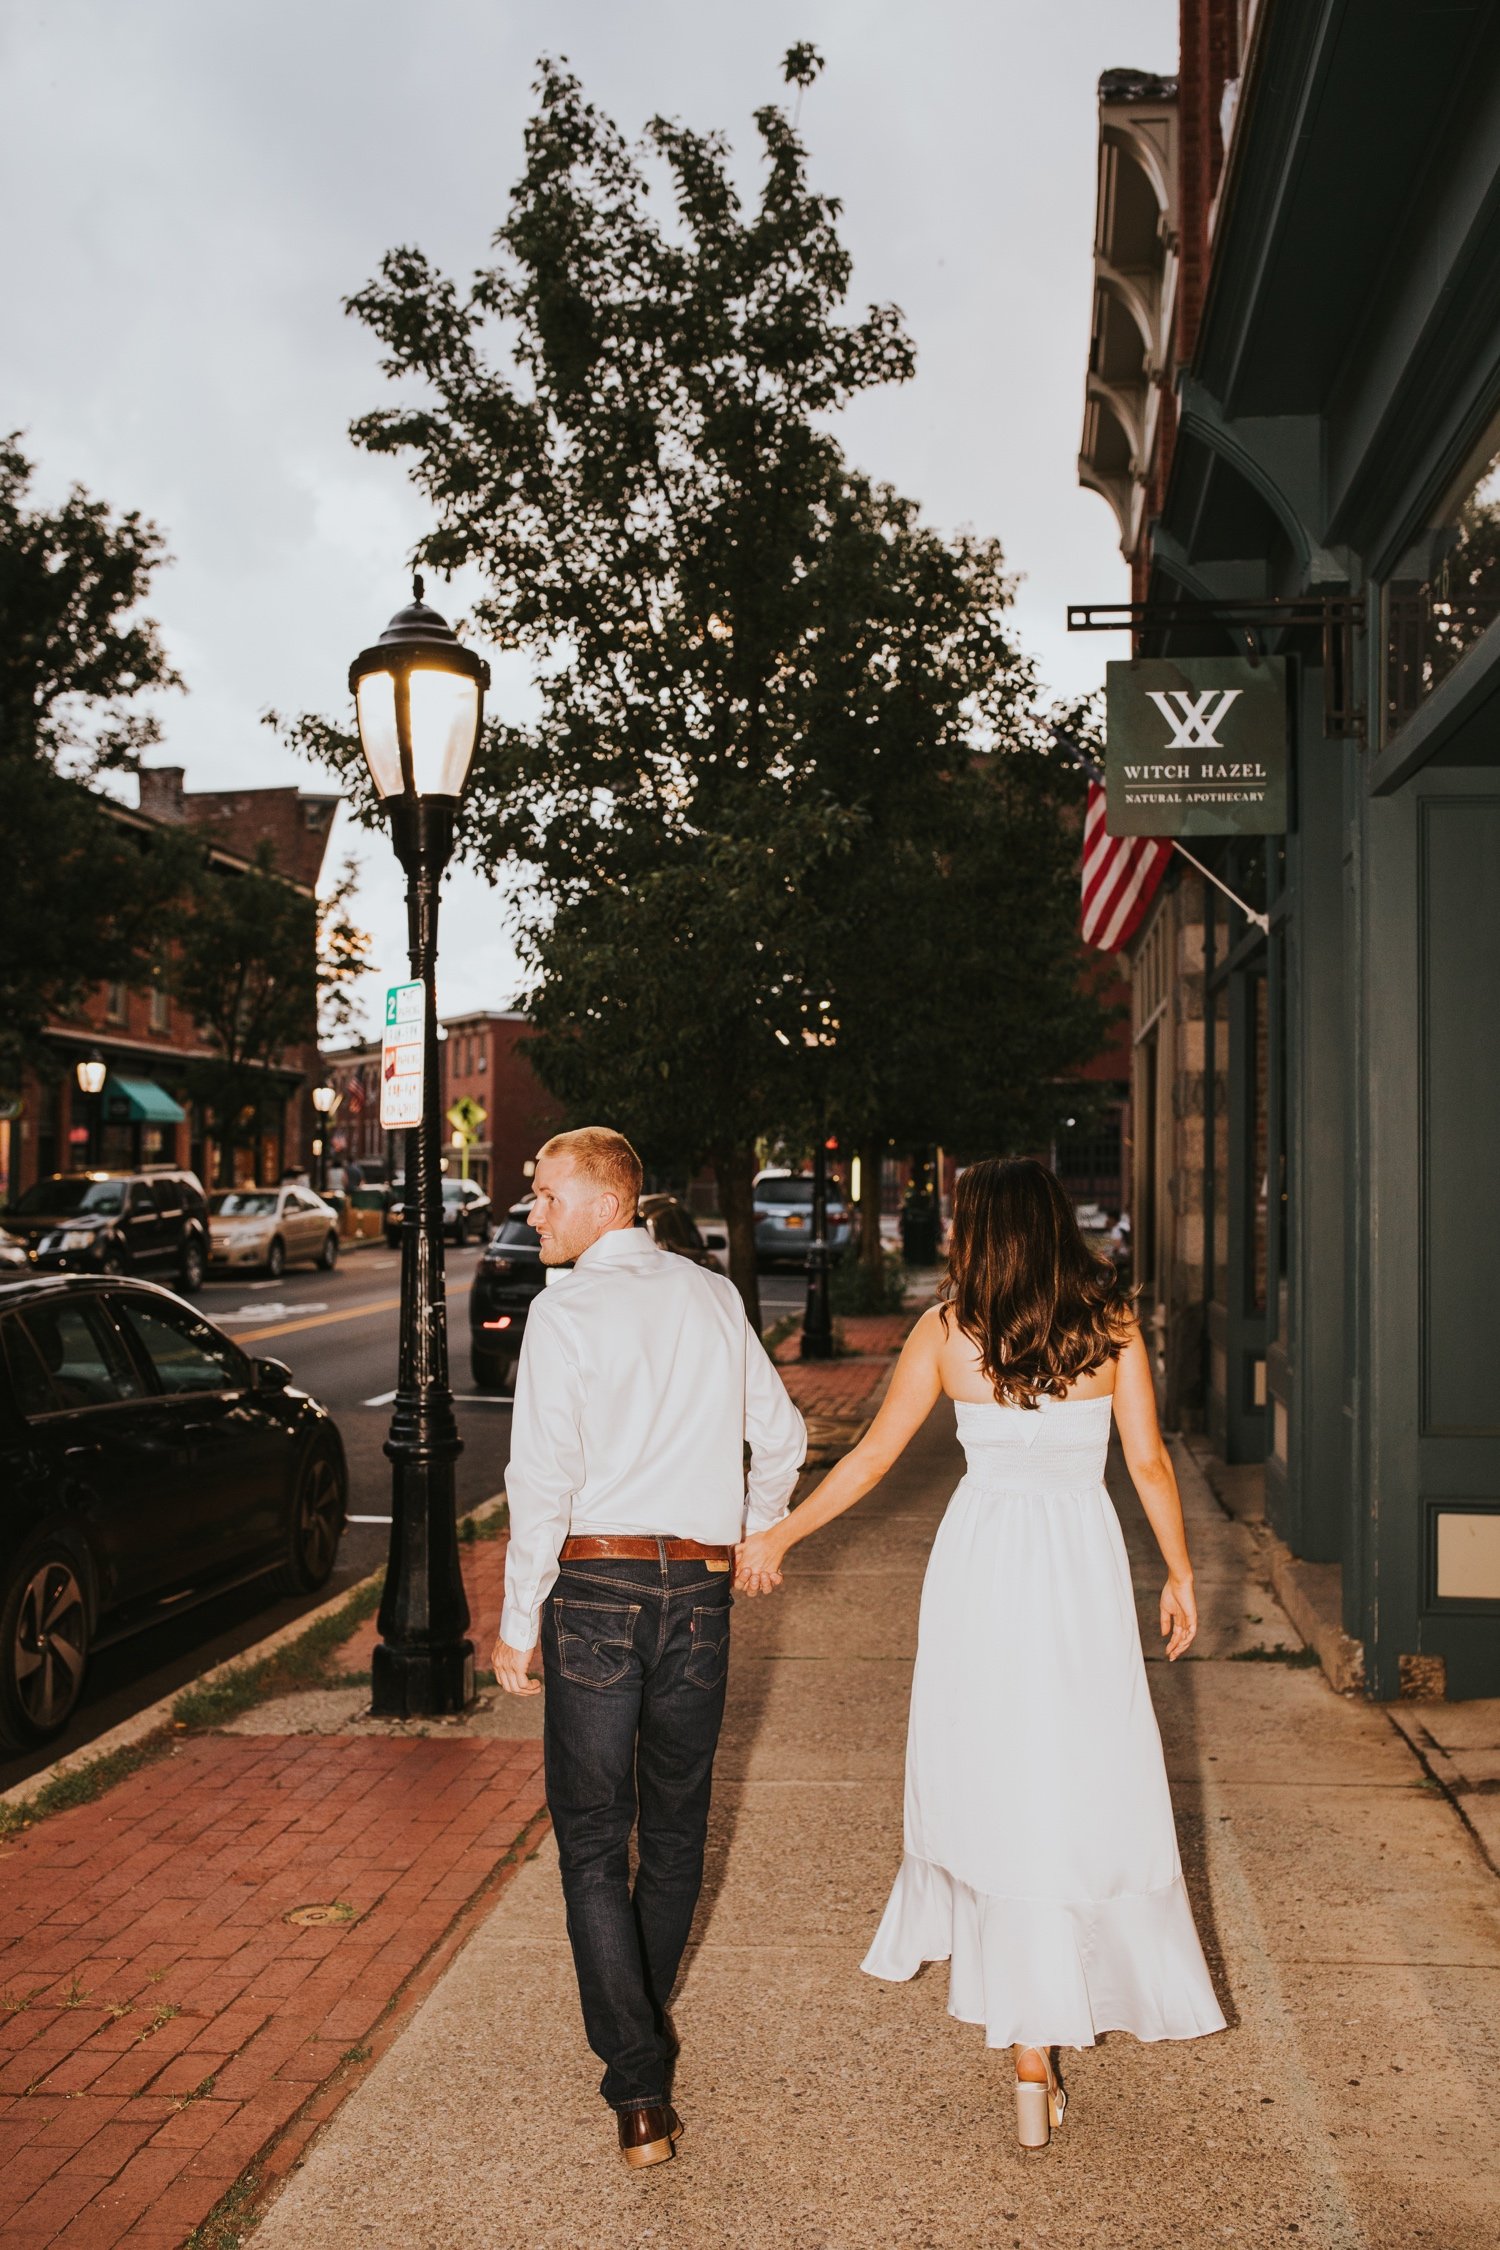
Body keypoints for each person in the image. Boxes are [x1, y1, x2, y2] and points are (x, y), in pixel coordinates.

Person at [735, 1155, 1225, 2150]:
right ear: (1056, 1227)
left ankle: (1029, 2056)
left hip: (984, 1566)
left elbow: (872, 1456)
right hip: (1078, 1564)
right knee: (1079, 1767)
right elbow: (1147, 1461)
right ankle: (1047, 2027)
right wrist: (1178, 1571)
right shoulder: (1114, 1323)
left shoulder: (949, 1332)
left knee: (997, 1769)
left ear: (977, 1233)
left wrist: (780, 1534)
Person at [492, 1126, 806, 2169]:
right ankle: (641, 2047)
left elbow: (541, 1476)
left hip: (595, 1588)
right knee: (673, 1831)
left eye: (544, 1195)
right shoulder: (712, 1297)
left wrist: (512, 1621)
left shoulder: (567, 1308)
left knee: (591, 1837)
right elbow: (786, 1433)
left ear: (606, 1205)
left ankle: (638, 2082)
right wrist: (758, 1534)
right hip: (700, 1594)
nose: (529, 1211)